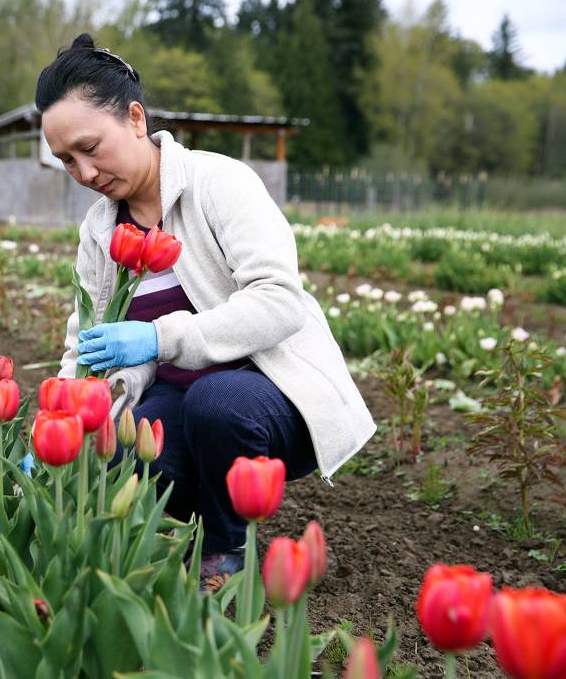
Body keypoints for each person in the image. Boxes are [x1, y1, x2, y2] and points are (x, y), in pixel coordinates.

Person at [36, 33, 376, 591]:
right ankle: (188, 527)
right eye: (66, 160)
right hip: (177, 396)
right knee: (119, 450)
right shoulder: (100, 229)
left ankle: (225, 554)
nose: (85, 172)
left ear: (136, 118)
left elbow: (279, 300)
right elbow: (86, 339)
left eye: (90, 147)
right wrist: (63, 421)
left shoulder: (219, 183)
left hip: (266, 389)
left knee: (216, 402)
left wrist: (158, 338)